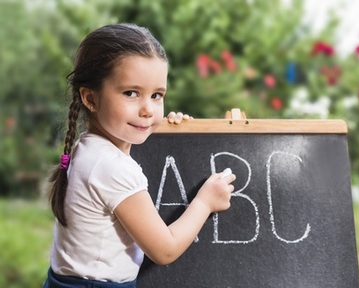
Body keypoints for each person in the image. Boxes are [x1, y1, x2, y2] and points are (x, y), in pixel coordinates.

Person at [43, 23, 236, 288]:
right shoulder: (112, 167)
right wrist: (205, 202)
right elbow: (164, 250)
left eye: (157, 95)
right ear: (90, 98)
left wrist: (173, 130)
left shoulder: (89, 148)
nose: (147, 110)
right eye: (131, 93)